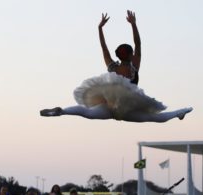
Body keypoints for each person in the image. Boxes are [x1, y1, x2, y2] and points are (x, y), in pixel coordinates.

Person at [40, 10, 193, 122]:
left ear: (119, 55)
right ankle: (182, 111)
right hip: (128, 110)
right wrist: (133, 24)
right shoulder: (133, 67)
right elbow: (138, 44)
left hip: (109, 107)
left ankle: (62, 111)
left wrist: (100, 29)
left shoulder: (113, 67)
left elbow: (104, 48)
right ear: (131, 54)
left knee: (88, 113)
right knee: (155, 118)